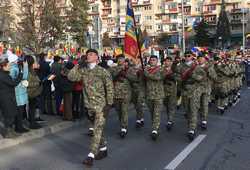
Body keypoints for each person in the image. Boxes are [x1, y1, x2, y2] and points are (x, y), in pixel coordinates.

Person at [67, 49, 114, 166]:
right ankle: (103, 149)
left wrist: (109, 104)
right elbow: (71, 77)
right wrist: (78, 64)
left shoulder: (103, 71)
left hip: (101, 105)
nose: (88, 56)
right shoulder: (83, 70)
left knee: (96, 130)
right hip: (89, 106)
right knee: (98, 129)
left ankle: (91, 155)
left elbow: (110, 88)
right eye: (87, 54)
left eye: (91, 54)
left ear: (97, 58)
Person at [181, 51, 206, 141]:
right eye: (186, 56)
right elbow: (176, 76)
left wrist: (192, 74)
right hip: (185, 91)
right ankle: (190, 125)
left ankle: (192, 129)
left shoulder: (197, 67)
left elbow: (202, 78)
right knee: (187, 111)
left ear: (192, 57)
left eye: (189, 56)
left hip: (195, 91)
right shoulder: (181, 66)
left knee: (193, 109)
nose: (187, 57)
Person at [109, 55, 131, 138]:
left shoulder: (129, 68)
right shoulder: (113, 68)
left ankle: (123, 128)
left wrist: (126, 75)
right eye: (119, 59)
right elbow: (110, 76)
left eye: (122, 59)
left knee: (124, 110)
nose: (120, 60)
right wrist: (118, 73)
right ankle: (122, 123)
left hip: (126, 93)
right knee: (119, 111)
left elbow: (134, 78)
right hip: (116, 93)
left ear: (124, 60)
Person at [0, 54, 22, 138]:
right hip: (6, 98)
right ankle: (8, 133)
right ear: (4, 66)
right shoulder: (3, 75)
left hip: (8, 97)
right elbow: (13, 83)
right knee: (9, 116)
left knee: (10, 115)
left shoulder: (4, 74)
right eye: (9, 65)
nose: (10, 67)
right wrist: (20, 75)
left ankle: (10, 131)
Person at [144, 55, 164, 141]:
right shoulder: (146, 69)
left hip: (158, 95)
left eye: (154, 60)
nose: (152, 61)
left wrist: (147, 74)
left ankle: (155, 129)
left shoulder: (161, 69)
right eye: (151, 60)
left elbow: (158, 77)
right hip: (149, 95)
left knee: (157, 112)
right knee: (152, 112)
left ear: (157, 61)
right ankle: (155, 126)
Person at [8, 51, 30, 133]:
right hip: (19, 92)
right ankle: (19, 127)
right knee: (19, 111)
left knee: (18, 111)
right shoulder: (15, 68)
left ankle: (18, 126)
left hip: (16, 92)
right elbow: (24, 77)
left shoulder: (11, 67)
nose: (18, 60)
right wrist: (26, 67)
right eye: (17, 59)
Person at [26, 55, 42, 129]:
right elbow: (27, 83)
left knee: (33, 108)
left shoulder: (31, 70)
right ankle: (32, 123)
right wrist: (37, 83)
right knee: (32, 108)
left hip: (34, 92)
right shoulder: (28, 71)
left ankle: (33, 122)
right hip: (31, 92)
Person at [163, 57, 177, 131]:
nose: (167, 62)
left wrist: (172, 76)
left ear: (171, 62)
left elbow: (178, 77)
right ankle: (169, 118)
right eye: (166, 61)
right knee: (166, 105)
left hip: (172, 90)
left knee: (171, 105)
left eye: (169, 61)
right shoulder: (161, 69)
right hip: (163, 90)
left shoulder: (174, 69)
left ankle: (170, 120)